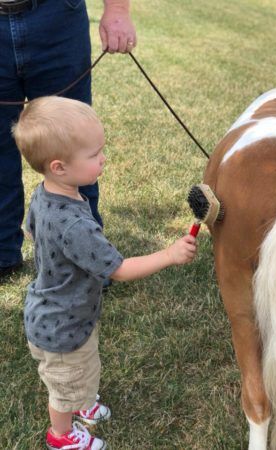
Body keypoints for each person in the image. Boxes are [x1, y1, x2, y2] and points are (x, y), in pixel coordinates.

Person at [12, 96, 197, 450]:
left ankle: (83, 400)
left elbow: (30, 229)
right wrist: (170, 254)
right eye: (94, 154)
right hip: (63, 325)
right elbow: (120, 269)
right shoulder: (74, 226)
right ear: (59, 167)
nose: (103, 159)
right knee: (64, 384)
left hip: (56, 309)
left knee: (81, 372)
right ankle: (61, 435)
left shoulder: (44, 193)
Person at [0, 0, 136, 278]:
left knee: (72, 146)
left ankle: (85, 259)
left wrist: (118, 10)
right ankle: (3, 253)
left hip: (57, 16)